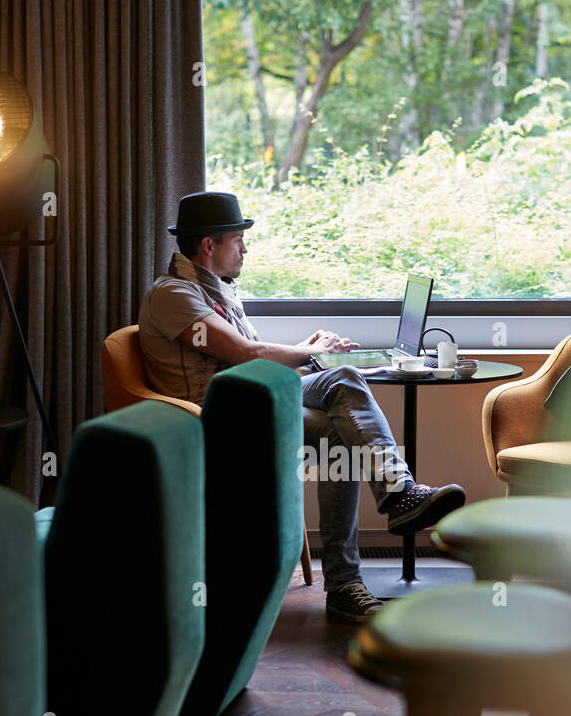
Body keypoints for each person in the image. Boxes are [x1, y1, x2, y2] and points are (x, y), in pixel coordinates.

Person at [138, 191, 466, 623]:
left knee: (340, 433)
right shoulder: (174, 294)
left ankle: (346, 584)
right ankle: (398, 494)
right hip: (214, 418)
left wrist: (308, 353)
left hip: (250, 401)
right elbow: (245, 354)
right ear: (209, 245)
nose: (245, 248)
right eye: (238, 239)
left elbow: (250, 358)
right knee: (345, 378)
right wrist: (302, 352)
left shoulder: (213, 291)